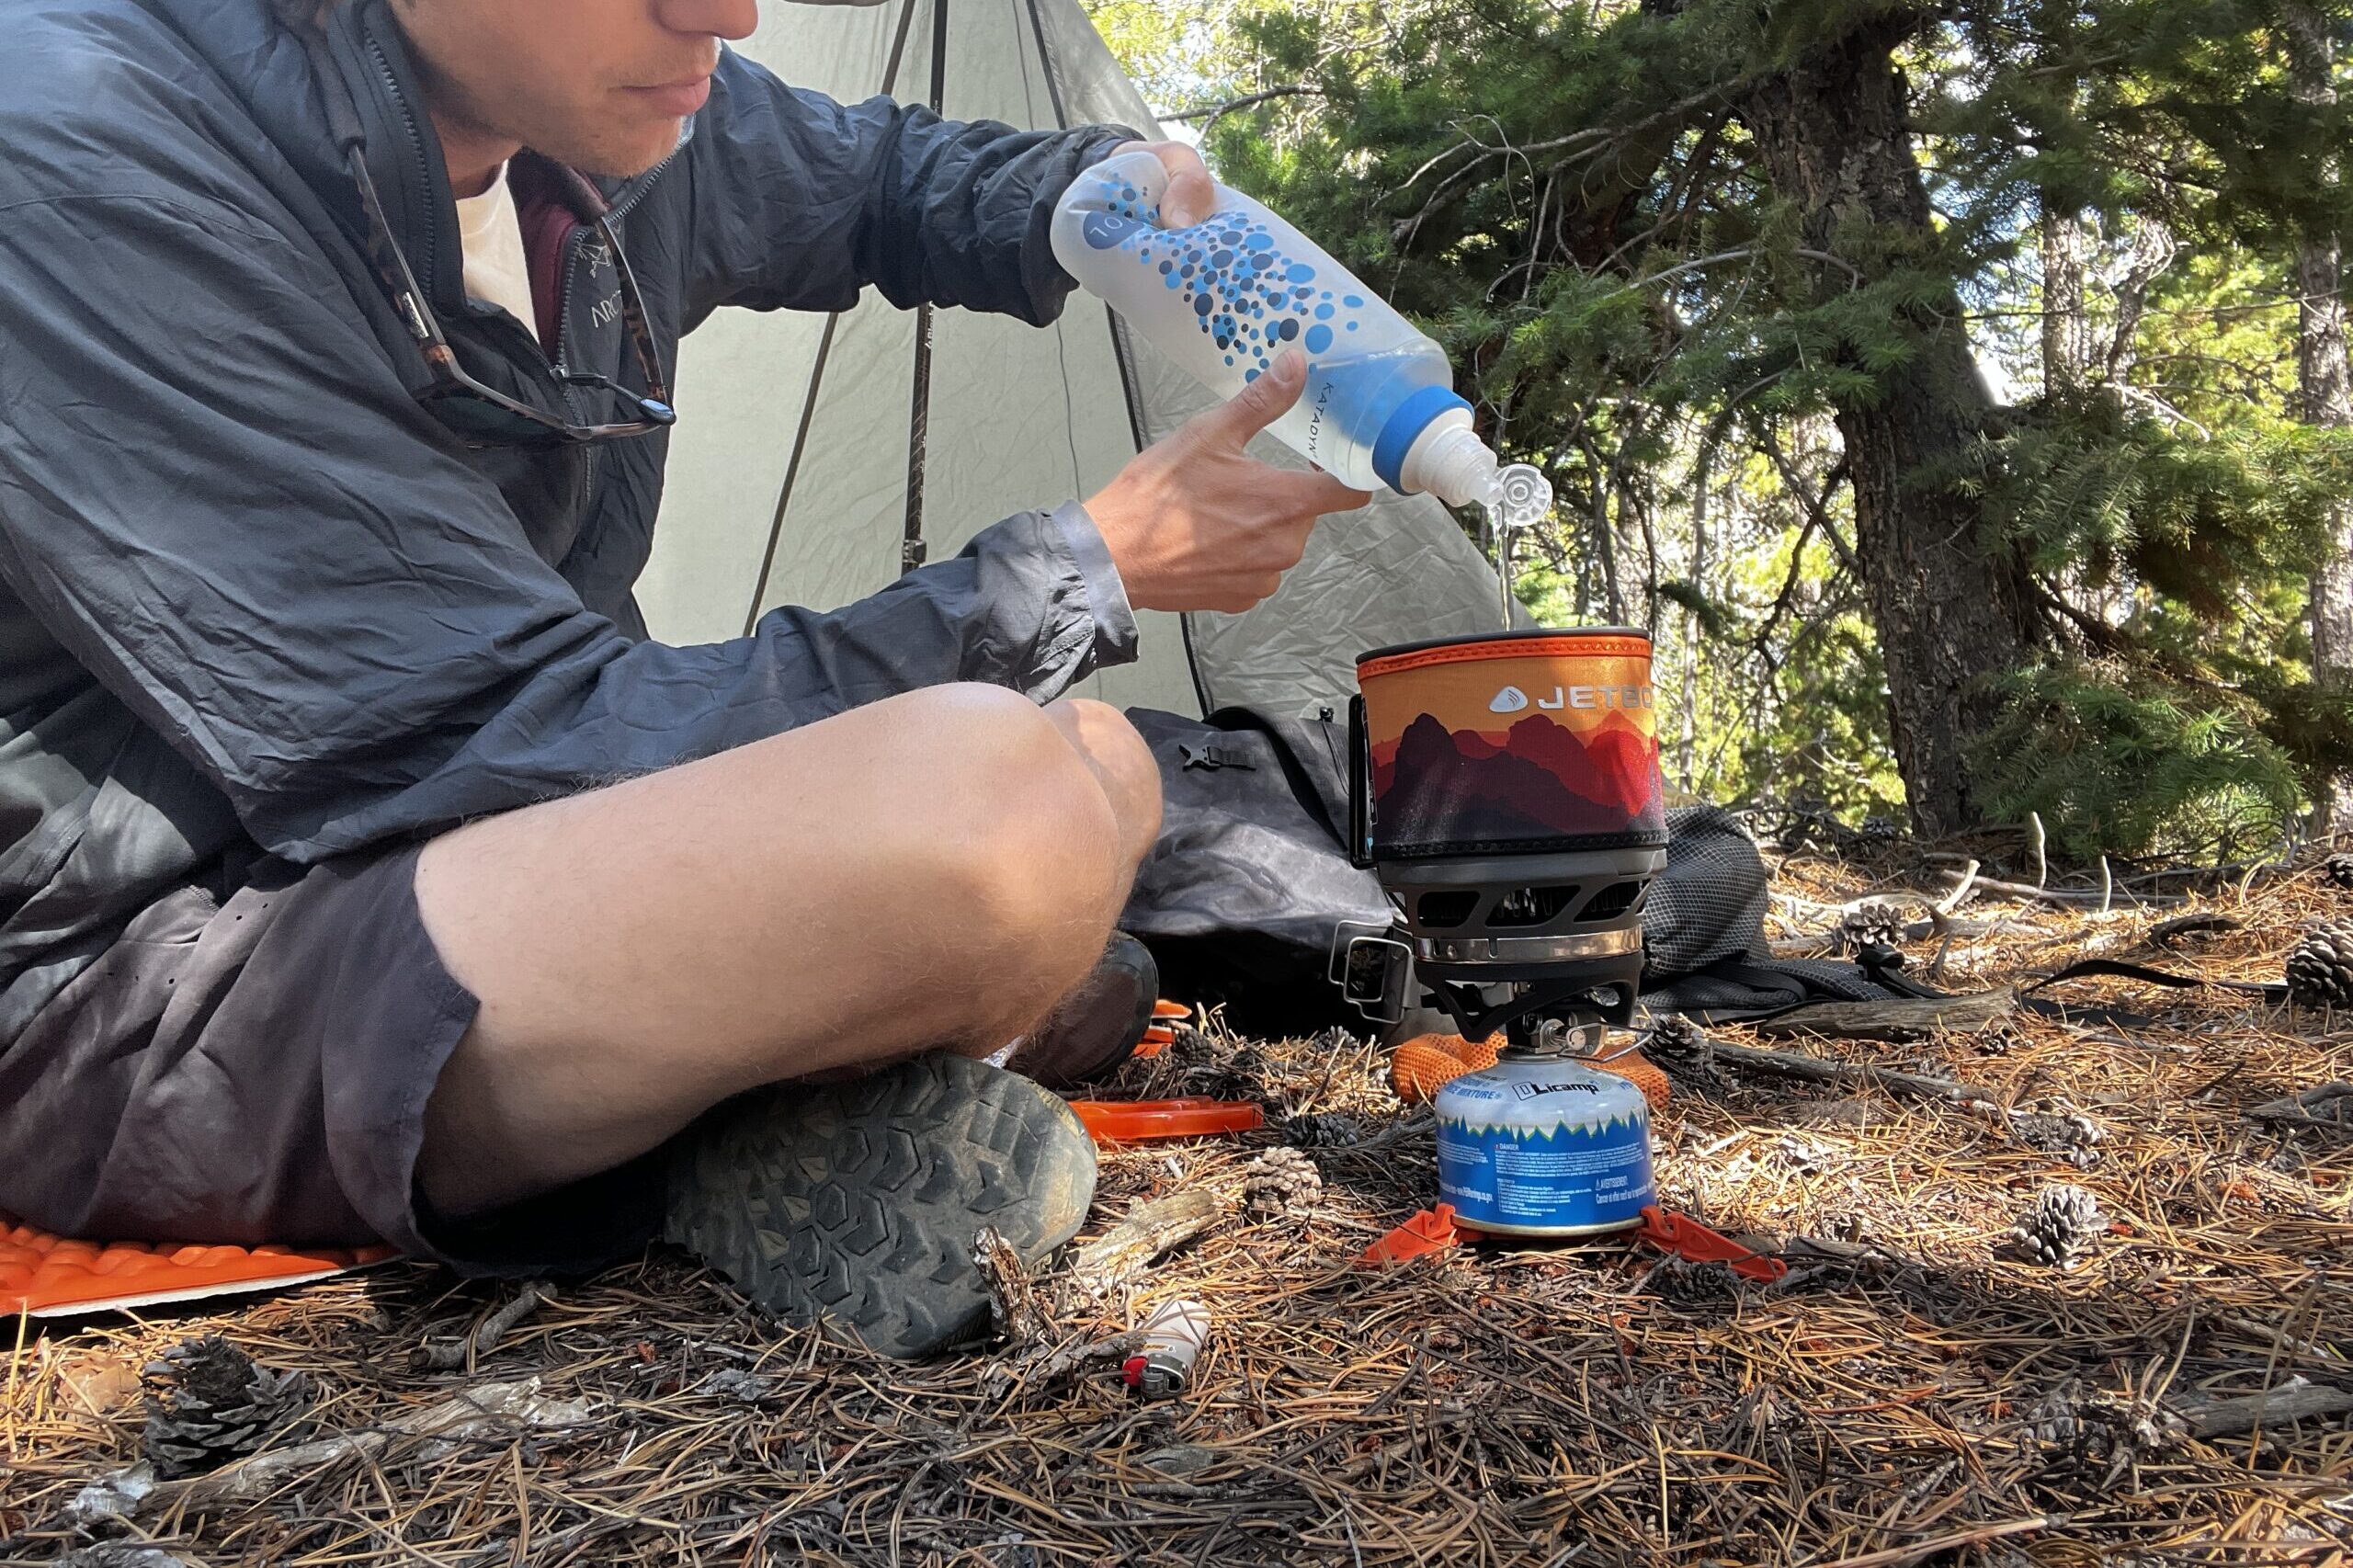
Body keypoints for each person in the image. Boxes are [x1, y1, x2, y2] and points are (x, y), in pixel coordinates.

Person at [0, 0, 1369, 1358]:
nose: (726, 11)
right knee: (1001, 818)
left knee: (1106, 763)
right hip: (146, 969)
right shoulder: (81, 139)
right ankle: (755, 1093)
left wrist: (1085, 190)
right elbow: (490, 727)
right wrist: (1088, 568)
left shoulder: (597, 97)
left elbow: (877, 178)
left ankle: (779, 1050)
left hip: (472, 834)